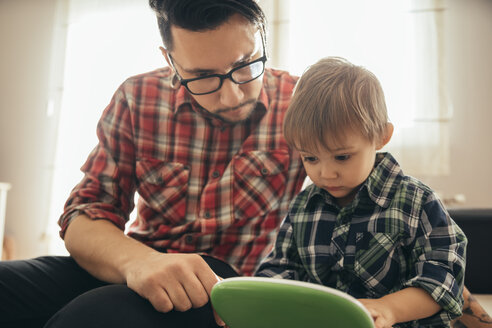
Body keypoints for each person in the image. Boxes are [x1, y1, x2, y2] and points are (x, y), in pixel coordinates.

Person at [0, 1, 306, 327]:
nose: (232, 97)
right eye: (203, 76)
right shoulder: (137, 97)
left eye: (245, 64)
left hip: (226, 290)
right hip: (138, 263)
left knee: (91, 315)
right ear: (170, 60)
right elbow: (84, 215)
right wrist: (140, 262)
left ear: (262, 38)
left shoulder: (302, 104)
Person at [255, 57, 467, 327]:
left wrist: (389, 309)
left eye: (342, 157)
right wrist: (256, 298)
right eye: (310, 158)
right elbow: (281, 268)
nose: (325, 173)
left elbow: (443, 281)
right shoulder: (303, 207)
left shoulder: (417, 202)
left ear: (381, 135)